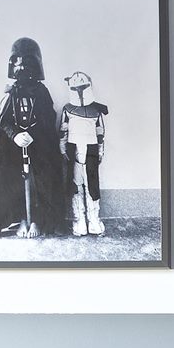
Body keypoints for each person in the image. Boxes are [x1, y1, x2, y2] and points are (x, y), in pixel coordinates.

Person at [0, 38, 67, 238]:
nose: (22, 68)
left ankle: (37, 220)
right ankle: (22, 219)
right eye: (18, 62)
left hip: (39, 144)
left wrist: (33, 134)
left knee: (42, 180)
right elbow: (4, 121)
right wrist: (15, 136)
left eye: (27, 63)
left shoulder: (42, 91)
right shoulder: (10, 92)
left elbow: (48, 117)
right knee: (13, 179)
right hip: (15, 146)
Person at [60, 71, 110, 236]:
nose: (79, 92)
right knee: (76, 186)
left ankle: (93, 220)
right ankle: (80, 220)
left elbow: (100, 133)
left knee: (91, 186)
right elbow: (63, 131)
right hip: (74, 151)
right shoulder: (67, 109)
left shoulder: (97, 110)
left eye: (82, 87)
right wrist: (63, 148)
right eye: (76, 88)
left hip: (91, 151)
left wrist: (100, 151)